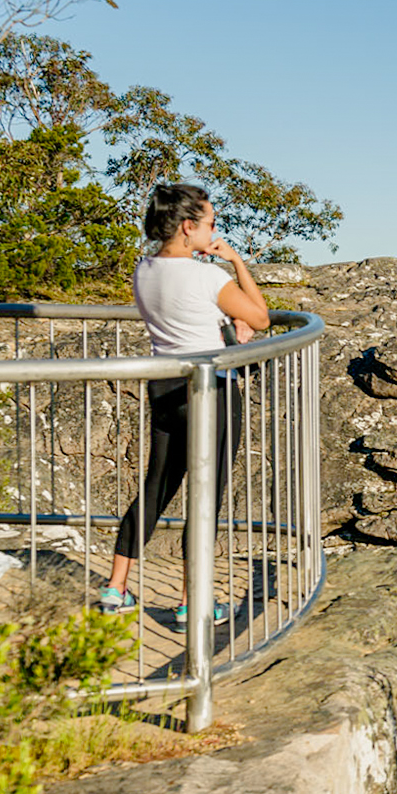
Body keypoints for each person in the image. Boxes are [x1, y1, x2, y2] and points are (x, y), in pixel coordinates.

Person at [97, 183, 271, 628]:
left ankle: (115, 588)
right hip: (210, 390)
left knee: (156, 487)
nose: (215, 230)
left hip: (165, 386)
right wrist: (235, 262)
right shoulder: (209, 276)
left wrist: (220, 319)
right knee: (205, 498)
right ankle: (193, 602)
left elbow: (180, 316)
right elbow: (260, 317)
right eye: (211, 223)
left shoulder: (144, 270)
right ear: (189, 227)